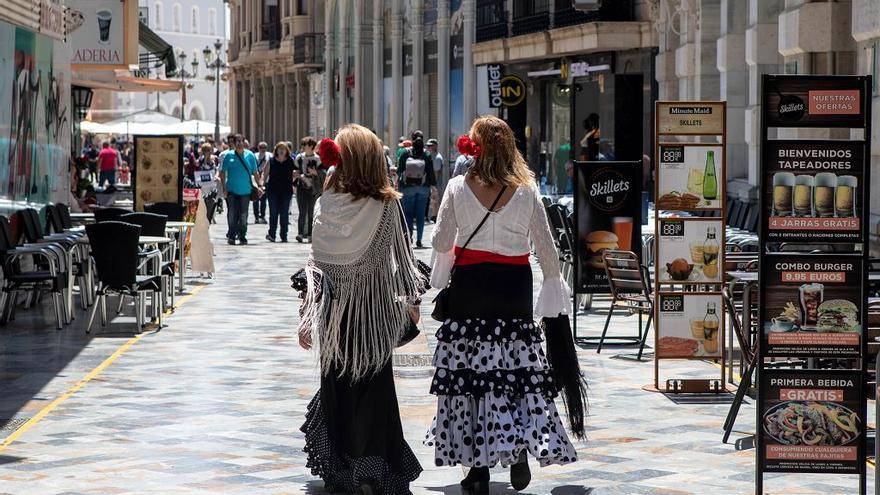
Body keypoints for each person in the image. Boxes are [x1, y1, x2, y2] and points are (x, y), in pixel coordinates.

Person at [424, 116, 585, 494]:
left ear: (473, 148)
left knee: (472, 378)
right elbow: (546, 251)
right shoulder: (527, 190)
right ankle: (518, 453)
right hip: (513, 290)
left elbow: (442, 239)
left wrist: (440, 271)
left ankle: (477, 469)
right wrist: (552, 294)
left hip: (470, 290)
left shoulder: (457, 187)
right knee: (515, 372)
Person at [298, 124, 425, 495]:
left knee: (338, 387)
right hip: (373, 317)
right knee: (374, 390)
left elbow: (314, 270)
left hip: (334, 317)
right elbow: (403, 260)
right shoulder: (386, 206)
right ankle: (373, 468)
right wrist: (412, 303)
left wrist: (305, 319)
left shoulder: (326, 204)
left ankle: (345, 465)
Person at [219, 134, 261, 245]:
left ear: (244, 142)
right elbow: (222, 172)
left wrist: (260, 185)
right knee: (232, 214)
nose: (239, 143)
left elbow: (255, 172)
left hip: (245, 191)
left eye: (241, 141)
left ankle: (242, 235)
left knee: (243, 215)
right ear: (233, 143)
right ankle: (232, 236)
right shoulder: (228, 156)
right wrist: (224, 188)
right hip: (231, 190)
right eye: (237, 141)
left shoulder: (250, 155)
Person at [397, 130, 436, 248]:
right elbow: (430, 173)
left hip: (408, 187)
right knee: (420, 215)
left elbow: (399, 170)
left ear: (412, 139)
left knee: (408, 213)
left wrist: (399, 183)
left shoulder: (405, 152)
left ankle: (409, 237)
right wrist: (433, 186)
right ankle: (419, 239)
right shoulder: (427, 154)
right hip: (423, 188)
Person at [263, 142, 296, 243]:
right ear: (276, 150)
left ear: (287, 151)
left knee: (284, 213)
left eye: (283, 149)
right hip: (273, 190)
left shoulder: (291, 161)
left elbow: (296, 174)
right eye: (279, 149)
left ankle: (283, 235)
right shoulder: (271, 161)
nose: (281, 151)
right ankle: (272, 234)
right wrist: (261, 185)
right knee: (273, 213)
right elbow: (265, 174)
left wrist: (294, 181)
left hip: (286, 191)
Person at [294, 136, 322, 243]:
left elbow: (322, 174)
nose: (303, 147)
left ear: (311, 146)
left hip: (313, 188)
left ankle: (310, 234)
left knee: (311, 212)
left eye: (305, 145)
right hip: (301, 187)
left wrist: (315, 173)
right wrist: (296, 175)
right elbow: (295, 170)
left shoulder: (317, 159)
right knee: (302, 212)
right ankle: (300, 234)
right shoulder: (299, 158)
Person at [252, 142, 270, 224]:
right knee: (255, 198)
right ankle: (256, 216)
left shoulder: (269, 156)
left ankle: (262, 216)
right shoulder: (254, 156)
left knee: (263, 199)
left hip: (265, 179)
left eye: (264, 147)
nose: (263, 149)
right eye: (261, 147)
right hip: (256, 179)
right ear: (258, 148)